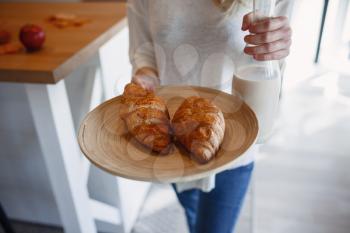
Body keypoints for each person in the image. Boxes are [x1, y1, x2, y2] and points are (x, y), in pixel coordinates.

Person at [127, 0, 293, 232]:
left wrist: (278, 47)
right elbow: (144, 48)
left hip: (236, 144)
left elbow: (274, 65)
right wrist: (145, 75)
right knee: (192, 212)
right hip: (175, 141)